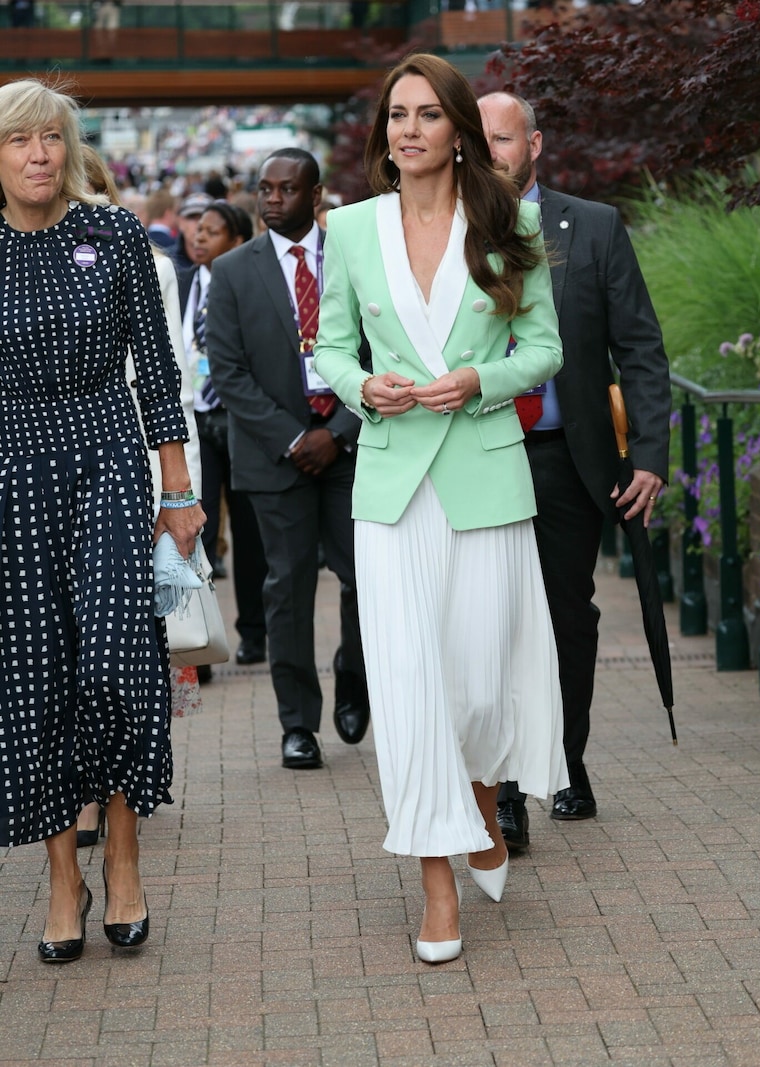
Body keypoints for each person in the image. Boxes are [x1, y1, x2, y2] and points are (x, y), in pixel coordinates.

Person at [313, 54, 568, 964]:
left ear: (459, 128)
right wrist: (360, 386)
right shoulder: (347, 230)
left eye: (426, 114)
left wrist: (478, 380)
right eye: (396, 115)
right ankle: (434, 884)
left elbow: (542, 348)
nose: (408, 129)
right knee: (412, 689)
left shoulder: (511, 221)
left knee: (477, 685)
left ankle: (483, 799)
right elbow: (331, 347)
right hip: (389, 488)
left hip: (485, 480)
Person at [0, 78, 204, 962]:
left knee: (118, 657)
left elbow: (154, 371)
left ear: (72, 149)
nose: (38, 154)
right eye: (18, 140)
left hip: (107, 455)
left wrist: (180, 487)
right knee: (36, 671)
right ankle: (62, 875)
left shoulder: (114, 233)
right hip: (12, 469)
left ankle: (121, 847)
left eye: (52, 138)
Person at [477, 90, 671, 839]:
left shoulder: (591, 227)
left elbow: (642, 347)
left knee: (565, 618)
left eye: (503, 137)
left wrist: (648, 453)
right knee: (490, 624)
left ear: (535, 144)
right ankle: (508, 795)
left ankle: (564, 757)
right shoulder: (445, 232)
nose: (491, 150)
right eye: (481, 138)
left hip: (567, 461)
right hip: (479, 453)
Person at [205, 148, 370, 770]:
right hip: (276, 459)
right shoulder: (232, 272)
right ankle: (297, 723)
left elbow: (383, 352)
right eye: (263, 189)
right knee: (289, 587)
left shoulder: (354, 260)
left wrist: (340, 430)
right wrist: (294, 438)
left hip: (352, 446)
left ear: (316, 194)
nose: (272, 199)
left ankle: (355, 682)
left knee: (364, 579)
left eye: (286, 189)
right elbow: (228, 371)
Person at [178, 200, 268, 677]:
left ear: (235, 241)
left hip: (240, 421)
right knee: (200, 529)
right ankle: (200, 643)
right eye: (197, 230)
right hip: (197, 422)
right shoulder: (181, 280)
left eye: (212, 232)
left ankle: (254, 631)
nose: (199, 238)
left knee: (249, 530)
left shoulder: (247, 281)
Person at [173, 191, 213, 274]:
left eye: (205, 218)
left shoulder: (224, 262)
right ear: (181, 222)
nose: (199, 223)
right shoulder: (168, 260)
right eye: (192, 218)